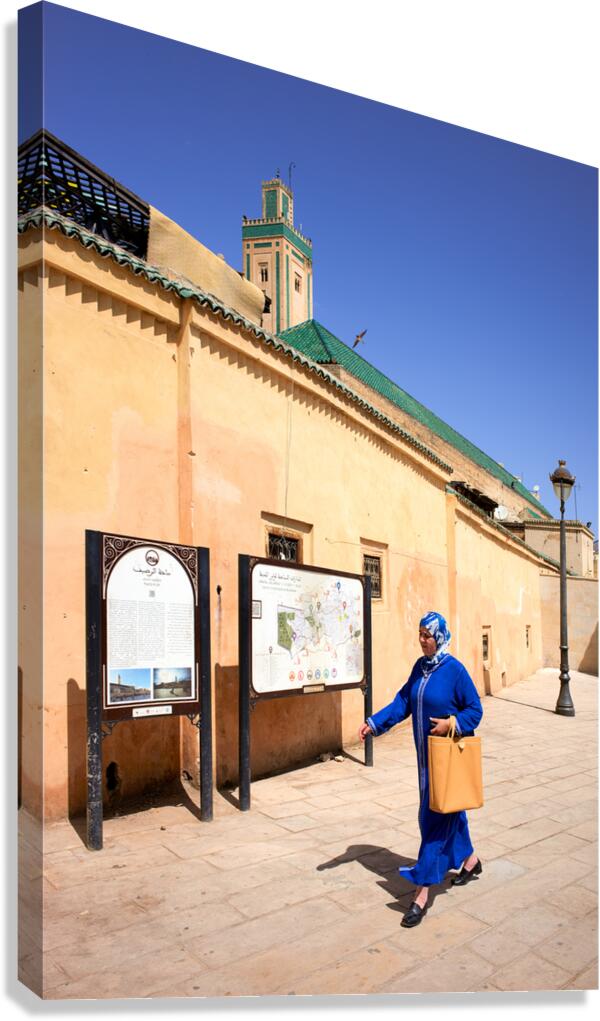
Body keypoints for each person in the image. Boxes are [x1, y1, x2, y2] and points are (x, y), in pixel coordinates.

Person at [358, 610, 483, 928]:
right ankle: (470, 861)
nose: (423, 640)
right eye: (420, 635)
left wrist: (451, 723)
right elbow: (403, 701)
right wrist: (374, 723)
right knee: (449, 810)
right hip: (425, 762)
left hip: (447, 760)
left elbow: (475, 709)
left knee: (433, 819)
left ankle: (421, 892)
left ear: (439, 636)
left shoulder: (454, 671)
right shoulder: (421, 668)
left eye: (427, 635)